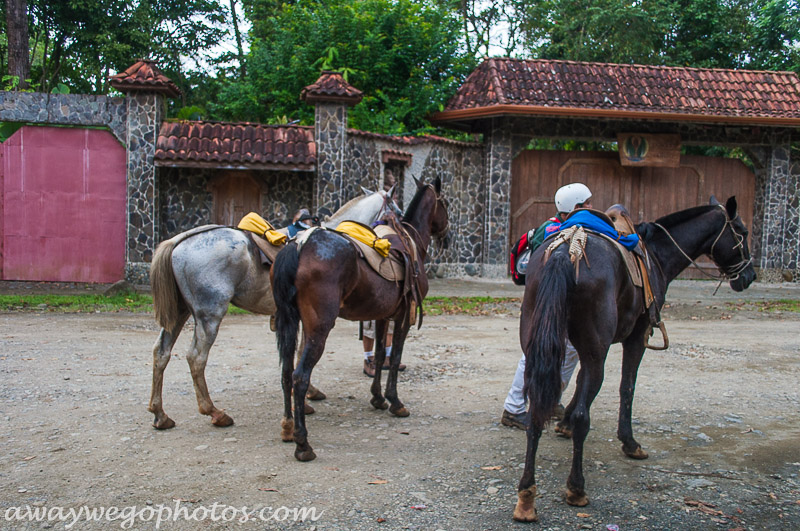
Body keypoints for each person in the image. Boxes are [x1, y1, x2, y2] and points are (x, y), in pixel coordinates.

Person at [501, 183, 593, 430]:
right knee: (537, 350)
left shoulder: (555, 228)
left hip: (554, 300)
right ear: (575, 208)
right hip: (546, 301)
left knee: (568, 348)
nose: (592, 208)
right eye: (587, 204)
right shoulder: (556, 230)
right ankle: (513, 408)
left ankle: (549, 401)